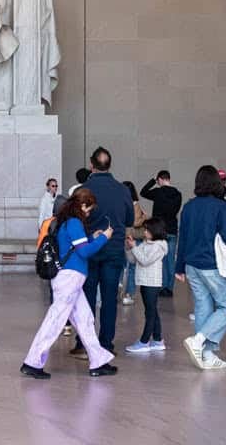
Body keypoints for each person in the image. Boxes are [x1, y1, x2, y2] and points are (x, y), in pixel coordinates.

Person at [20, 188, 118, 379]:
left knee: (85, 320)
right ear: (82, 205)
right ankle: (32, 362)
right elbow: (84, 252)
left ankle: (98, 361)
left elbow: (76, 246)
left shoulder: (66, 222)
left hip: (68, 278)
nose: (88, 213)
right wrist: (104, 238)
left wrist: (93, 238)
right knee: (56, 320)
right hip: (70, 278)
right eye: (88, 209)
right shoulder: (74, 223)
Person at [175, 165, 226, 370]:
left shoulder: (189, 206)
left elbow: (182, 237)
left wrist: (179, 267)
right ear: (217, 183)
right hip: (211, 265)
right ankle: (199, 340)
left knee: (203, 305)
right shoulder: (221, 207)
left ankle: (205, 354)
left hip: (191, 265)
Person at [74, 147, 134, 357]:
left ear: (92, 165)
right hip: (113, 250)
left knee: (86, 298)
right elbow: (129, 220)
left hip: (89, 250)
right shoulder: (122, 190)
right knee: (109, 299)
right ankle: (106, 343)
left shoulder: (83, 190)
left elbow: (75, 220)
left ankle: (83, 343)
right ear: (109, 165)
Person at [124, 218, 169, 354]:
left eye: (147, 229)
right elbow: (133, 260)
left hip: (152, 282)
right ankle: (157, 339)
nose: (144, 232)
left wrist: (134, 248)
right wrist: (129, 248)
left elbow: (144, 260)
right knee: (152, 311)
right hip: (143, 281)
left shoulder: (159, 246)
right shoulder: (145, 243)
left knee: (150, 312)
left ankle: (144, 342)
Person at [140, 169, 182, 297]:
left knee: (160, 260)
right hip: (172, 229)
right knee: (170, 261)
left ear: (160, 180)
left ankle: (162, 286)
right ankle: (169, 288)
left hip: (159, 230)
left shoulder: (158, 192)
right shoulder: (177, 194)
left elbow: (143, 192)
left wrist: (153, 180)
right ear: (169, 179)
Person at [120, 180, 146, 306]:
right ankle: (128, 294)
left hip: (120, 236)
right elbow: (135, 223)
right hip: (132, 238)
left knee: (120, 266)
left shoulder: (118, 203)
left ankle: (118, 290)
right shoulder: (134, 204)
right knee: (131, 268)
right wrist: (144, 217)